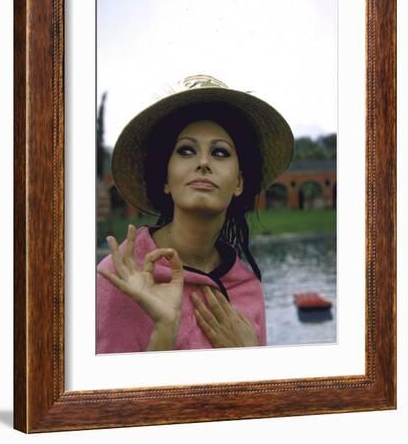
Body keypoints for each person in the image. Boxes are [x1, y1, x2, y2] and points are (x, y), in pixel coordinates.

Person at [97, 75, 294, 353]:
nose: (203, 163)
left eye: (220, 152)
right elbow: (107, 396)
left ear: (238, 183)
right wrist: (164, 331)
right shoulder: (119, 278)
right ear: (166, 179)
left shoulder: (248, 288)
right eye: (186, 150)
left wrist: (250, 357)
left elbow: (257, 395)